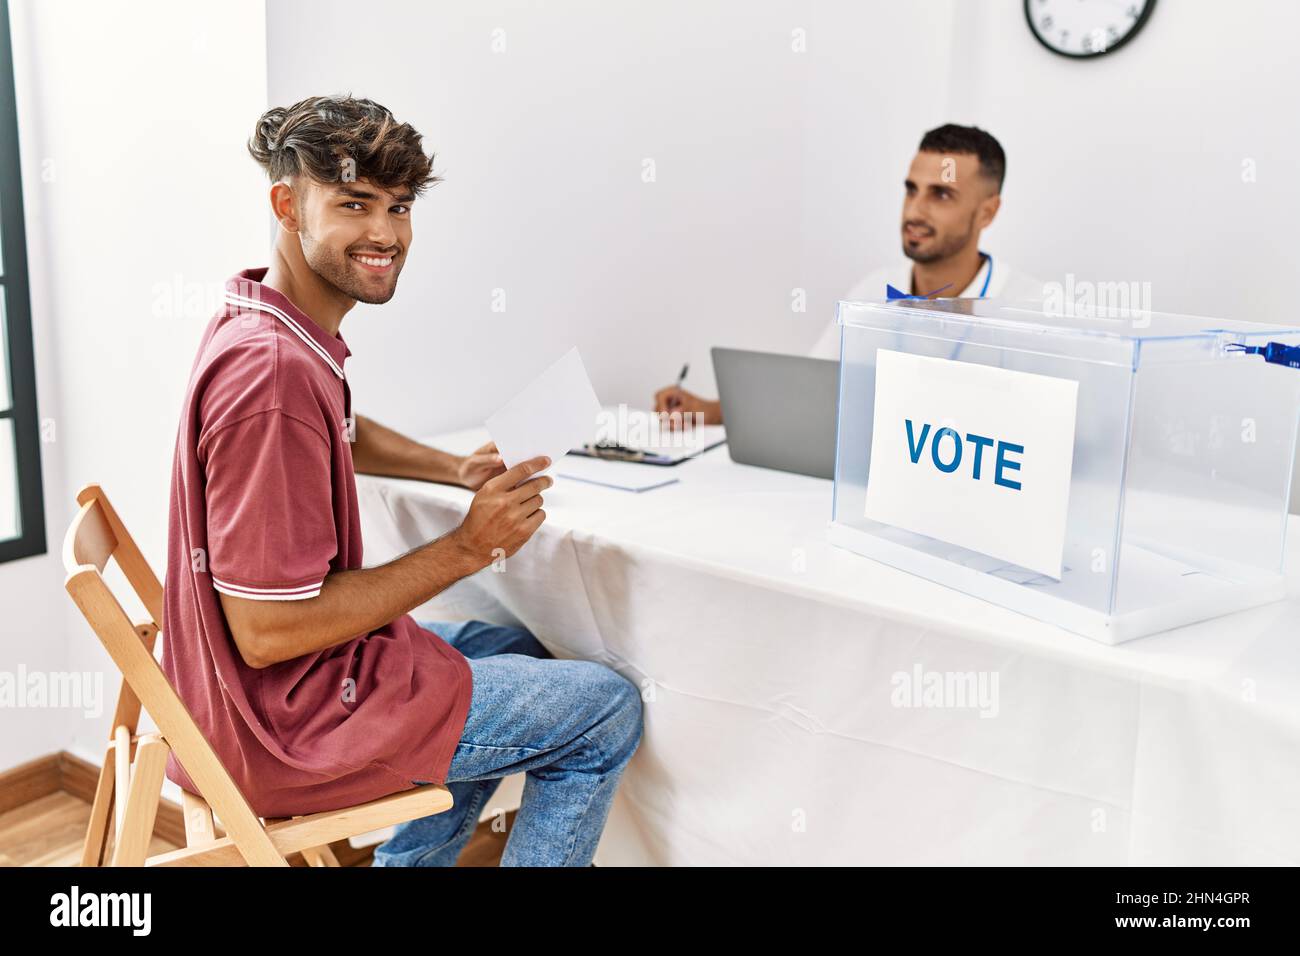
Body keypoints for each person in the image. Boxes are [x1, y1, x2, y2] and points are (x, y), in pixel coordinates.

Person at [161, 94, 642, 867]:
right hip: (283, 726)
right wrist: (467, 548)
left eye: (399, 206)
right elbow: (267, 633)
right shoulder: (272, 378)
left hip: (239, 699)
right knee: (604, 711)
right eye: (355, 204)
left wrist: (449, 466)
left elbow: (339, 430)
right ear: (288, 205)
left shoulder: (265, 320)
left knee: (516, 642)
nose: (384, 234)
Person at [653, 123, 1044, 424]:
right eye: (911, 190)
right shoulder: (873, 289)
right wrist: (706, 410)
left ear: (988, 212)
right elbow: (811, 392)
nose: (914, 212)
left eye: (941, 195)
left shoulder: (1032, 307)